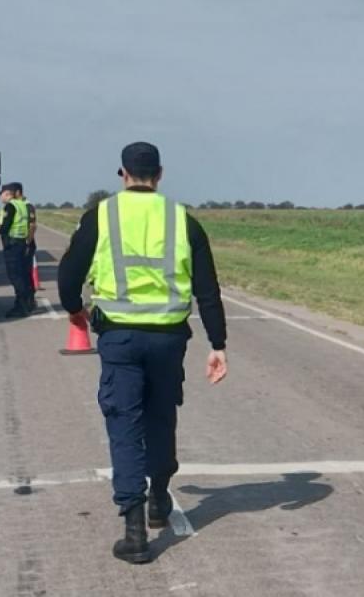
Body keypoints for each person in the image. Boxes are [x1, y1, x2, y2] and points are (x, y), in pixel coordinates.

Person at [57, 142, 229, 564]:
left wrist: (77, 311)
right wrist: (218, 344)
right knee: (161, 415)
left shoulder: (101, 215)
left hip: (119, 338)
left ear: (123, 174)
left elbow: (67, 276)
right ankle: (158, 496)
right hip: (169, 338)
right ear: (160, 174)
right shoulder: (183, 220)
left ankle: (134, 530)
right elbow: (208, 290)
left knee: (124, 424)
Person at [0, 182, 32, 318]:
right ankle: (26, 303)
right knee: (21, 274)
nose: (0, 197)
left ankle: (21, 306)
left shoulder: (10, 206)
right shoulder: (21, 205)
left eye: (2, 194)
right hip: (21, 243)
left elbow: (5, 226)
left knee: (15, 276)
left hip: (12, 245)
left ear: (8, 194)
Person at [15, 183, 39, 311]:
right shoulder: (17, 205)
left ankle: (30, 300)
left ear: (18, 192)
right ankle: (24, 300)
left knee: (26, 273)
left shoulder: (27, 206)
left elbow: (32, 225)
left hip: (26, 245)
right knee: (20, 273)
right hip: (18, 245)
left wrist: (28, 243)